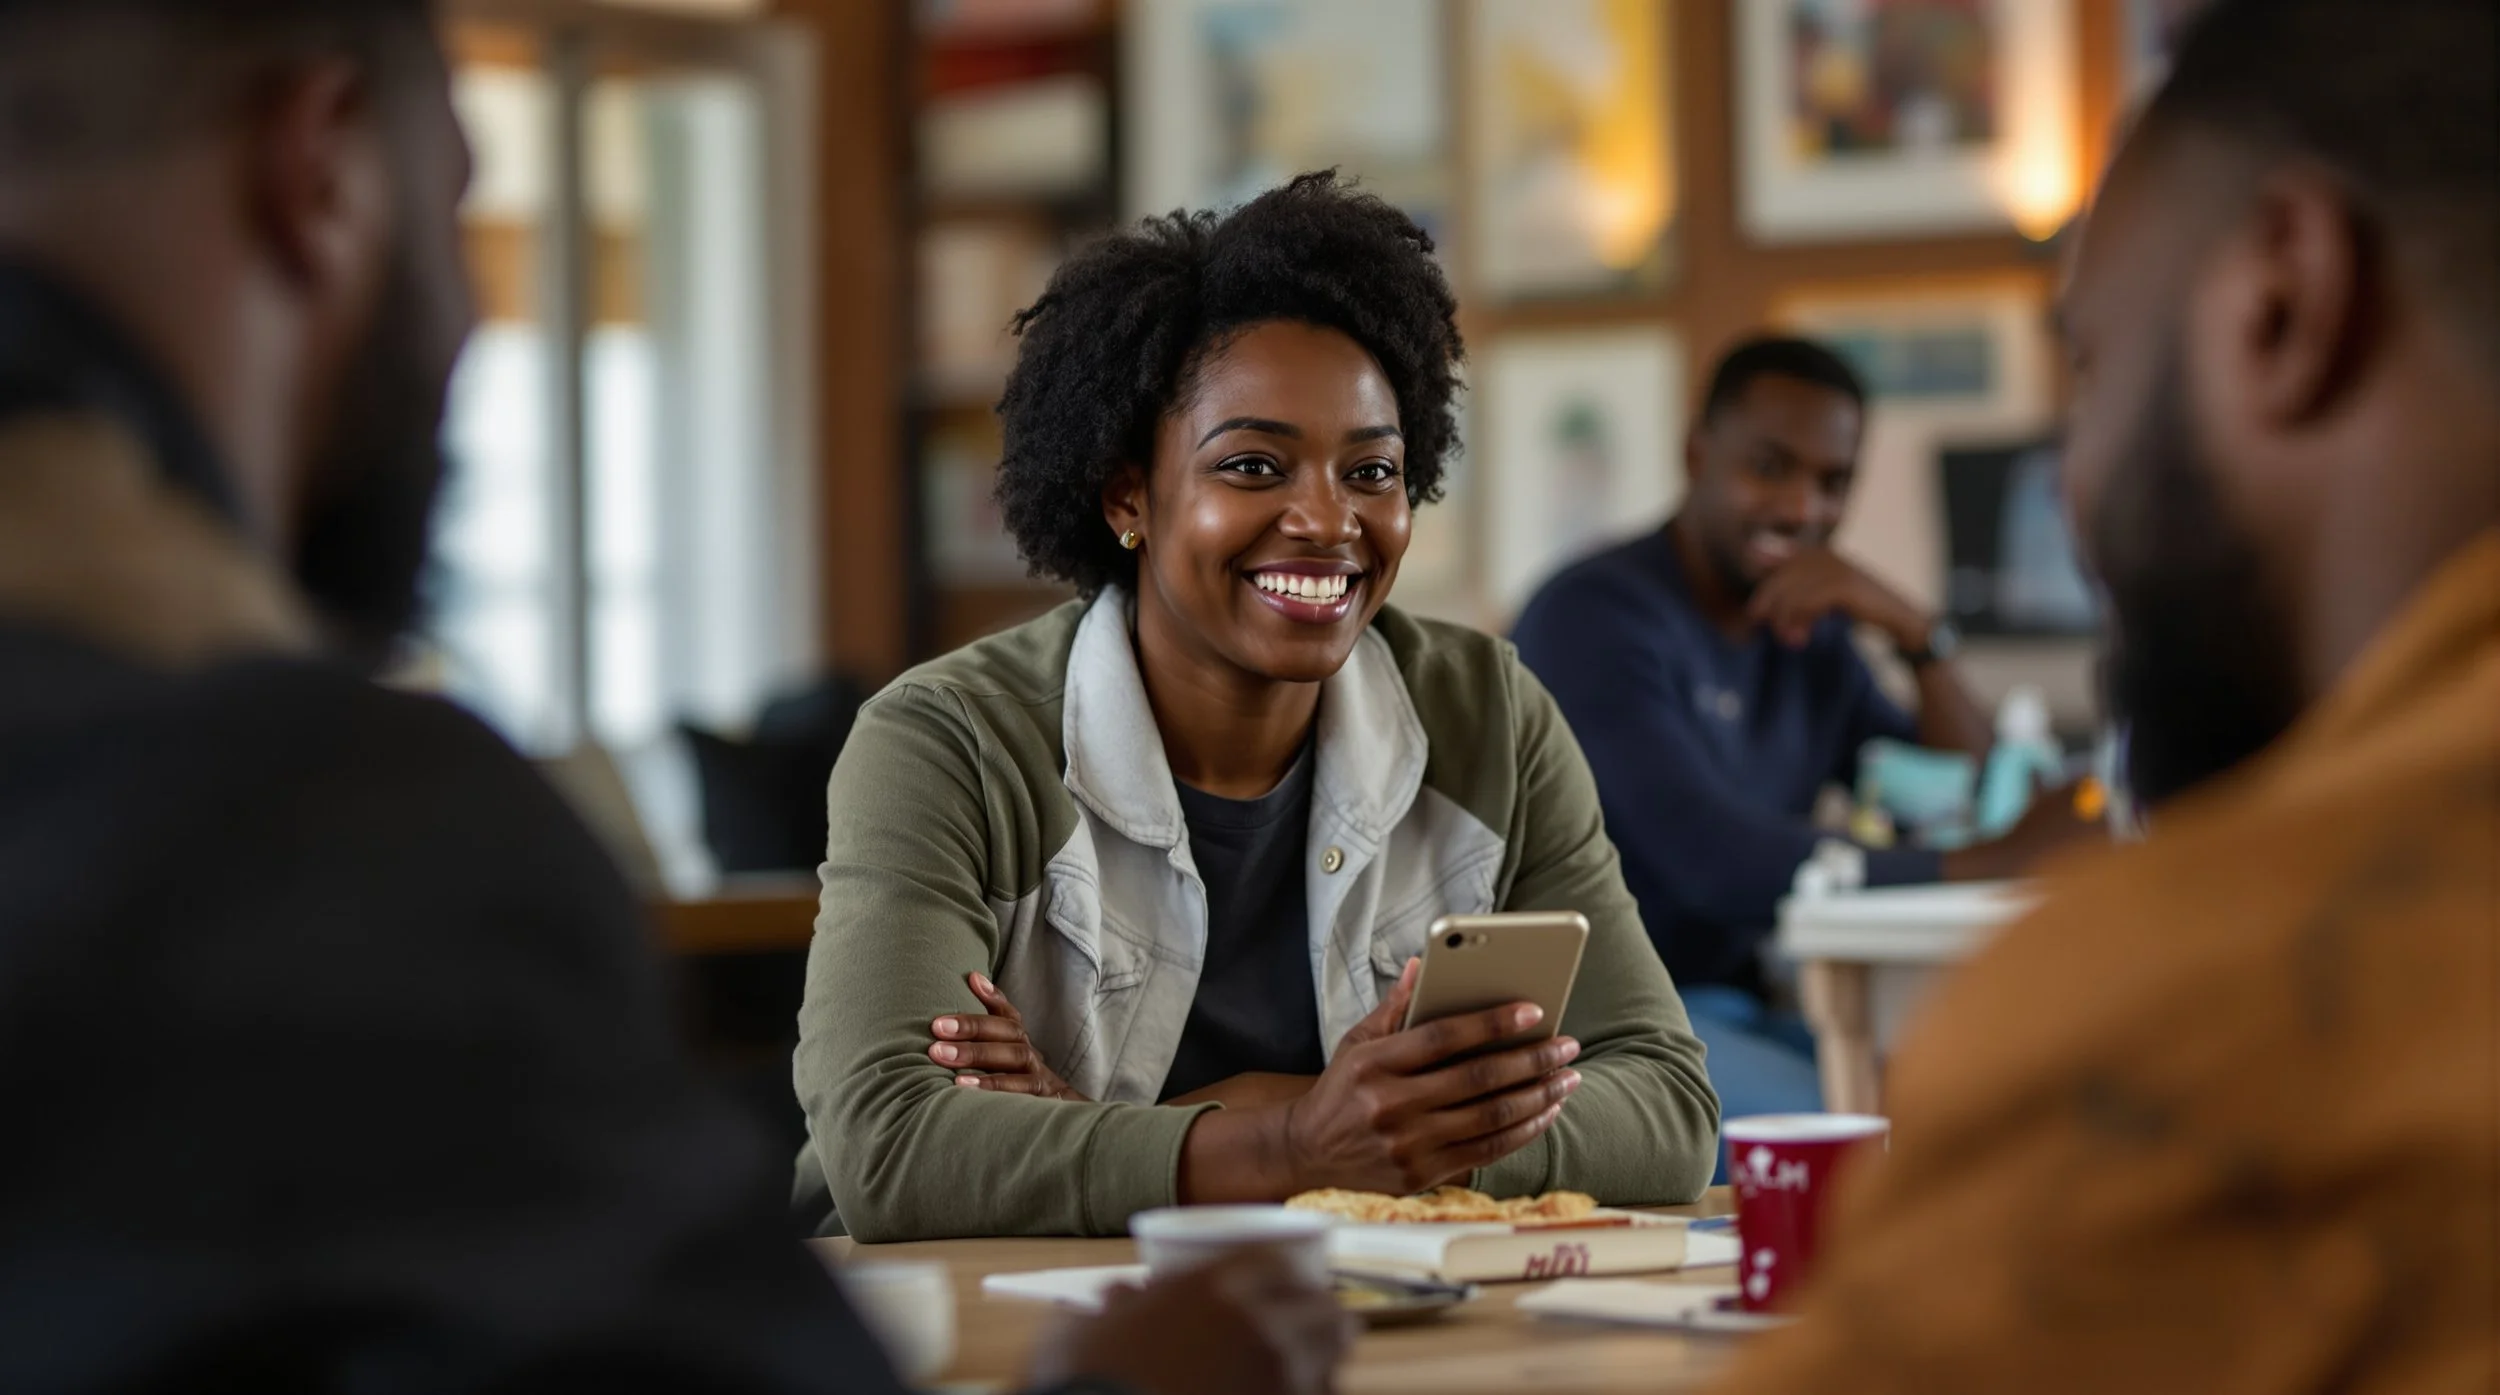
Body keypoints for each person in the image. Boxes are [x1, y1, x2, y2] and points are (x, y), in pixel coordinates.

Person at [0, 2, 1350, 1391]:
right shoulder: (314, 834)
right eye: (466, 210)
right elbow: (890, 1136)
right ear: (322, 175)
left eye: (1367, 469)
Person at [1717, 0, 2497, 1389]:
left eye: (2095, 365)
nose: (2075, 493)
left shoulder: (2197, 1013)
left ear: (2285, 298)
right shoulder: (1610, 620)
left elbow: (1934, 775)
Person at [792, 172, 1720, 1242]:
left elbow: (1666, 1108)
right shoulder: (947, 743)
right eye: (1253, 465)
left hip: (1361, 1321)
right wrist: (1297, 1144)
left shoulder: (1490, 719)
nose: (1328, 520)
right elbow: (886, 1149)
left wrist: (1157, 1137)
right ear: (1128, 495)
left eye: (1370, 470)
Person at [1510, 337, 2097, 1120]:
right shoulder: (1593, 618)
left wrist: (1918, 635)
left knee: (1965, 1095)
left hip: (1737, 1007)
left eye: (1833, 482)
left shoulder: (1807, 633)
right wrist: (1992, 858)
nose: (1801, 509)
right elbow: (1712, 860)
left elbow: (1960, 796)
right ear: (1697, 454)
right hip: (1590, 1034)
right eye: (1769, 467)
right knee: (1873, 1131)